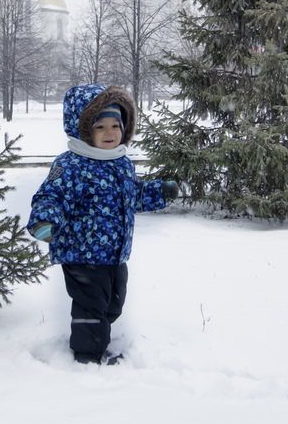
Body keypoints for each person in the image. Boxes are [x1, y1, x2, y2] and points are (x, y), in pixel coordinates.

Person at [27, 84, 179, 365]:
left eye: (115, 125)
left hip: (114, 253)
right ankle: (88, 356)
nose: (110, 133)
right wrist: (46, 219)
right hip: (82, 253)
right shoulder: (72, 165)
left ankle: (98, 337)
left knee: (113, 303)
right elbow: (52, 196)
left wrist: (159, 192)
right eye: (100, 127)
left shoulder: (121, 163)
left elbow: (133, 196)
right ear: (84, 129)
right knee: (91, 307)